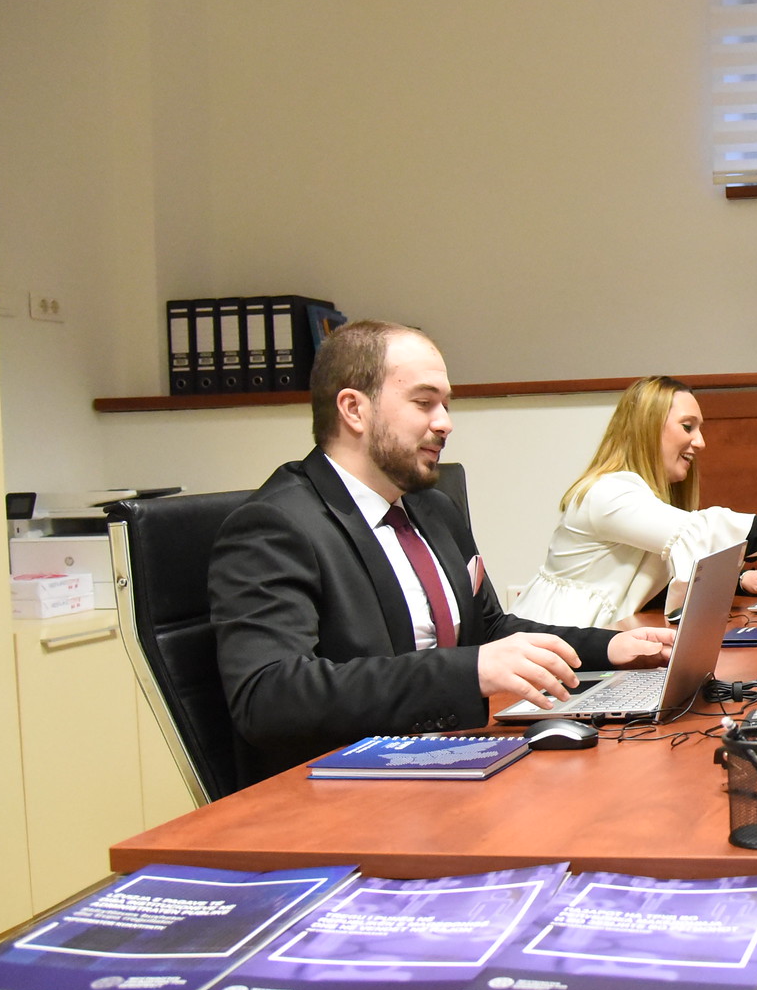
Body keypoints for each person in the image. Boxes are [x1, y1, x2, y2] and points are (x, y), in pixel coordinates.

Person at [210, 321, 676, 783]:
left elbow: (489, 629)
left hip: (450, 757)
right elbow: (268, 696)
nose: (445, 423)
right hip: (346, 786)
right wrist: (467, 670)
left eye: (446, 405)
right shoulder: (276, 524)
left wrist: (608, 647)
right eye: (423, 402)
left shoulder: (431, 506)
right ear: (354, 408)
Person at [512, 375, 757, 628]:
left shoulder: (635, 495)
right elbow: (703, 530)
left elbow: (647, 575)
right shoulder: (608, 493)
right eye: (688, 427)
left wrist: (741, 579)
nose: (701, 442)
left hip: (595, 641)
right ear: (646, 427)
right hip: (552, 647)